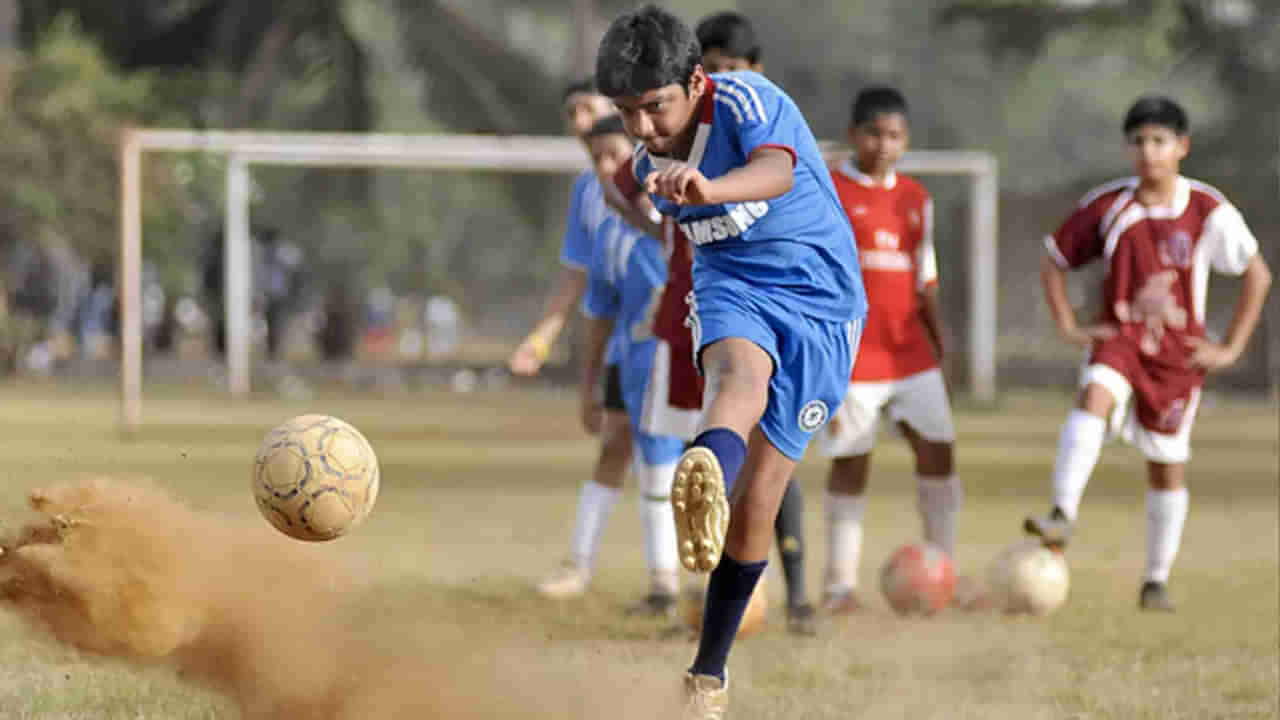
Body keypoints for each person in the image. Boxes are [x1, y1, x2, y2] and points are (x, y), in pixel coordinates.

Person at [596, 6, 866, 715]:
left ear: (694, 80)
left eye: (655, 107)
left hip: (823, 303)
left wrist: (710, 187)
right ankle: (708, 465)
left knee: (759, 508)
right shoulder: (645, 162)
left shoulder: (747, 97)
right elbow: (648, 207)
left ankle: (711, 662)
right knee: (736, 377)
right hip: (731, 284)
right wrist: (654, 197)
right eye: (628, 113)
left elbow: (777, 170)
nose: (646, 127)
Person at [1023, 95, 1271, 612]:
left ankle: (1155, 580)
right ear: (1127, 147)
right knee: (1094, 395)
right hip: (1121, 338)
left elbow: (1257, 274)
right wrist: (1068, 324)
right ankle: (1062, 512)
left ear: (1181, 147)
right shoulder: (1110, 204)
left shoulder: (1207, 209)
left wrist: (1231, 348)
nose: (1148, 152)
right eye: (1137, 141)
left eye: (1159, 141)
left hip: (1178, 356)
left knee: (1166, 466)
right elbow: (1053, 260)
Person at [820, 87, 961, 613]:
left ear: (906, 140)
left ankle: (943, 571)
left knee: (939, 451)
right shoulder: (830, 189)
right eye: (874, 133)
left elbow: (924, 276)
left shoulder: (915, 199)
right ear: (855, 135)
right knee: (852, 462)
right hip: (854, 353)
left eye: (895, 135)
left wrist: (940, 337)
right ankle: (839, 587)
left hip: (909, 353)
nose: (884, 143)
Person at [514, 79, 634, 600]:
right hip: (622, 339)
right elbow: (578, 278)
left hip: (678, 337)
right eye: (570, 111)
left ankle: (699, 576)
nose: (578, 119)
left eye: (588, 107)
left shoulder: (660, 175)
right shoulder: (587, 190)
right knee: (615, 446)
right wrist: (542, 338)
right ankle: (578, 566)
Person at [578, 116, 695, 616]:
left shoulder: (681, 217)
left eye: (615, 156)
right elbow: (601, 309)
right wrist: (590, 382)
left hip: (678, 359)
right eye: (596, 158)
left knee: (694, 464)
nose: (607, 167)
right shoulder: (612, 237)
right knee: (647, 460)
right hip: (632, 364)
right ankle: (662, 583)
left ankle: (718, 579)